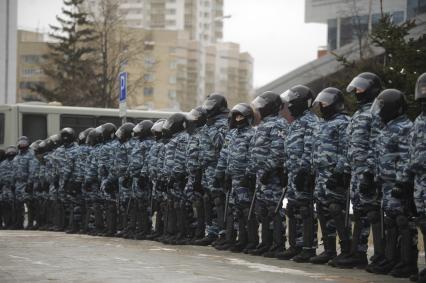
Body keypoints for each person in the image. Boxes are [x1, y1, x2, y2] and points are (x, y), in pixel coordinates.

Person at [335, 72, 384, 269]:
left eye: (361, 88)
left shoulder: (377, 112)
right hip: (355, 172)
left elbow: (377, 143)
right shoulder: (357, 115)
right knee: (360, 213)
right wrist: (343, 170)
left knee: (373, 213)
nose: (356, 92)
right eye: (356, 88)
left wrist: (370, 173)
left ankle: (383, 256)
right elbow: (350, 147)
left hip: (368, 172)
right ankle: (358, 253)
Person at [368, 89, 417, 278]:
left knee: (403, 221)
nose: (379, 110)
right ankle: (392, 259)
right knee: (391, 221)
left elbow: (406, 158)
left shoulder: (404, 127)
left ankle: (408, 263)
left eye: (382, 107)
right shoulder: (387, 126)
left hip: (398, 183)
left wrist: (403, 182)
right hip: (386, 183)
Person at [278, 85, 319, 262]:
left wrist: (305, 170)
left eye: (292, 103)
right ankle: (295, 246)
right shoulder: (295, 123)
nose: (289, 106)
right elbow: (290, 149)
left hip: (303, 173)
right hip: (293, 173)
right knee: (293, 209)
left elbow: (310, 148)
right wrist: (286, 170)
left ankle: (308, 247)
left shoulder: (311, 121)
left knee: (305, 209)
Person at [312, 87, 352, 266]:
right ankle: (329, 250)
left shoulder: (343, 122)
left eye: (326, 102)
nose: (322, 106)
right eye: (321, 102)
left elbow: (346, 149)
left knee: (337, 210)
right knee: (322, 210)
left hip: (334, 175)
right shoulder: (321, 123)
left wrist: (339, 171)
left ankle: (347, 251)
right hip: (320, 175)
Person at [246, 91, 288, 256]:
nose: (259, 109)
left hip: (273, 176)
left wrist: (268, 170)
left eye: (262, 106)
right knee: (261, 210)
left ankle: (278, 244)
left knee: (274, 210)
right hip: (261, 176)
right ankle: (266, 243)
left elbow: (278, 152)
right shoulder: (262, 125)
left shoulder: (278, 124)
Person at [214, 103, 258, 252]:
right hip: (232, 177)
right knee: (233, 209)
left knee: (247, 210)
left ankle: (250, 240)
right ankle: (233, 239)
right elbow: (224, 155)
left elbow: (253, 156)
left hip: (244, 177)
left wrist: (250, 174)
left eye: (241, 116)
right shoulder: (231, 134)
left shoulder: (252, 135)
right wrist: (221, 173)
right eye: (236, 117)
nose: (238, 119)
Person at [194, 94, 230, 246]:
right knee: (208, 200)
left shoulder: (223, 123)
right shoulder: (208, 124)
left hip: (217, 167)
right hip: (207, 168)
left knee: (219, 200)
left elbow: (220, 143)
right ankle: (212, 232)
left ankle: (223, 234)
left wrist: (210, 127)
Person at [400, 73, 426, 282]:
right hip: (419, 180)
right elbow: (410, 152)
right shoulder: (418, 120)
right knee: (423, 222)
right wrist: (405, 179)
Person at [185, 107, 207, 243]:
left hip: (200, 174)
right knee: (190, 202)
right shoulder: (193, 135)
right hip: (191, 174)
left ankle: (200, 232)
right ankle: (190, 231)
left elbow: (202, 156)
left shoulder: (203, 135)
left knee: (200, 204)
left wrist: (199, 175)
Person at [130, 120, 155, 240]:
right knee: (138, 205)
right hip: (136, 177)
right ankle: (140, 228)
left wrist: (143, 175)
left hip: (142, 177)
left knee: (144, 205)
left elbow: (148, 160)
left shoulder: (148, 143)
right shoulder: (139, 143)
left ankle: (146, 229)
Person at [13, 136, 37, 229]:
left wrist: (30, 183)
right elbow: (14, 171)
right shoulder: (17, 156)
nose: (22, 144)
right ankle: (19, 223)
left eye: (24, 142)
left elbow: (32, 170)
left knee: (29, 204)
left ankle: (30, 223)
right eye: (20, 142)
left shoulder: (31, 156)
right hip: (18, 183)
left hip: (26, 183)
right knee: (18, 205)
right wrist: (13, 183)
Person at [0, 146, 17, 228]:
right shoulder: (3, 164)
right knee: (4, 205)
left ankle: (13, 223)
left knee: (14, 206)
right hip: (4, 188)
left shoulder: (17, 161)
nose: (11, 153)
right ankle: (6, 223)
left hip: (15, 187)